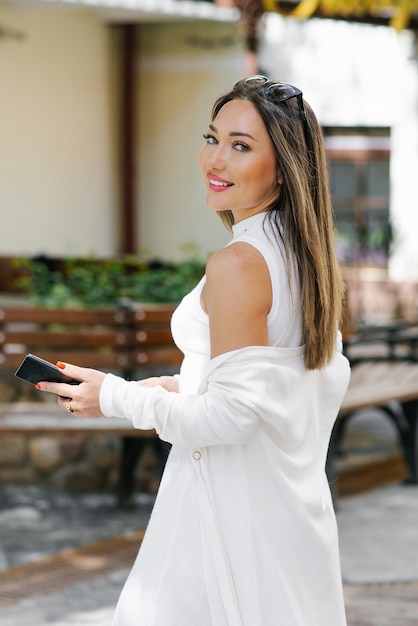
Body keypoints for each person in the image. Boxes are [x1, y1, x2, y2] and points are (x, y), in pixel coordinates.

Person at [37, 76, 351, 626]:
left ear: (283, 168)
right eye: (212, 138)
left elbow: (230, 418)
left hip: (222, 522)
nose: (215, 160)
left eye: (241, 145)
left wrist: (113, 398)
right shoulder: (308, 263)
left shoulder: (239, 265)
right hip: (288, 524)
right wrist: (174, 386)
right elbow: (269, 387)